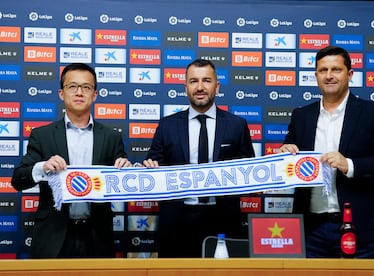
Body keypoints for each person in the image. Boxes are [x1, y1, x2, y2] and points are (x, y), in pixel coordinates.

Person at [278, 46, 374, 258]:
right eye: (323, 70)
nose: (329, 76)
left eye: (336, 69)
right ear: (316, 75)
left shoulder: (372, 112)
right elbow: (290, 154)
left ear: (350, 74)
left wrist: (350, 165)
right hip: (310, 229)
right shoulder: (301, 116)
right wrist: (284, 155)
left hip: (358, 226)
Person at [11, 63, 132, 258]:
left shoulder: (111, 137)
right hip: (53, 236)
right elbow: (18, 179)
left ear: (94, 95)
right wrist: (43, 167)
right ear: (61, 93)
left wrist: (126, 170)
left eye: (86, 87)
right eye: (72, 86)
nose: (79, 92)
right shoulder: (42, 135)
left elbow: (123, 183)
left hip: (97, 238)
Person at [142, 58, 255, 257]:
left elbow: (249, 171)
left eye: (206, 81)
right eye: (193, 81)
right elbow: (154, 165)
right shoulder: (167, 126)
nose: (200, 87)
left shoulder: (237, 125)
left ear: (217, 86)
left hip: (223, 221)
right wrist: (151, 169)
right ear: (185, 87)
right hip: (177, 222)